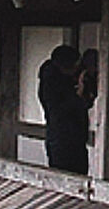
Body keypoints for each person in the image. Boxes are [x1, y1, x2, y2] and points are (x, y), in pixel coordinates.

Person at [37, 44, 92, 174]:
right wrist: (78, 94)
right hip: (65, 141)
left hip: (65, 139)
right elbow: (61, 110)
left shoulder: (56, 80)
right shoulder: (53, 83)